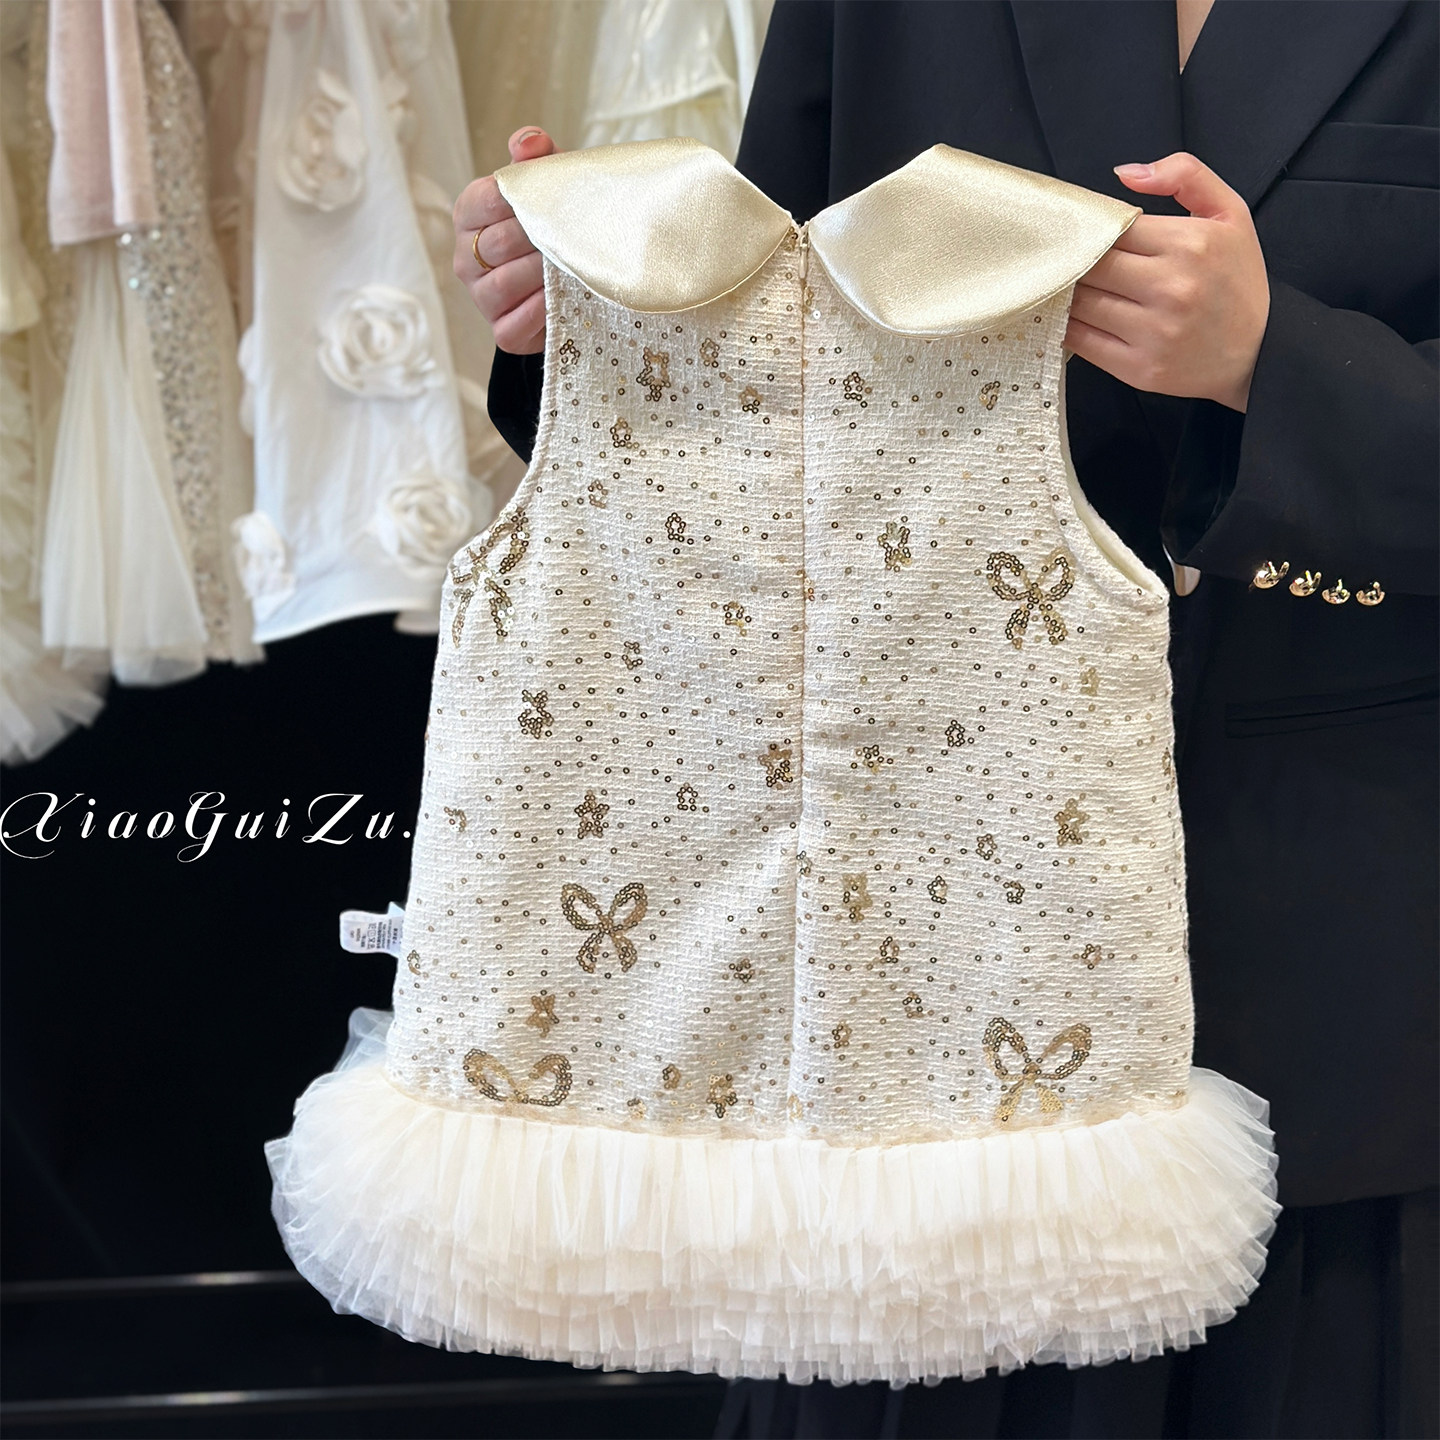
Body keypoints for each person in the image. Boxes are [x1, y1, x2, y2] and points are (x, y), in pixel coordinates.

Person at [453, 3, 1438, 1434]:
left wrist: (1276, 364)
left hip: (1336, 981)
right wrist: (593, 323)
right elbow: (775, 358)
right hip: (913, 1008)